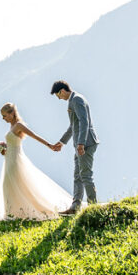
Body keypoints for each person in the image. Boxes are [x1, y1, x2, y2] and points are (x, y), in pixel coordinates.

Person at [0, 103, 72, 220]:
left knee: (15, 184)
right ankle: (12, 212)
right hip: (9, 159)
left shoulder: (19, 125)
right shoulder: (11, 127)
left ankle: (19, 212)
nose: (3, 118)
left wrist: (49, 145)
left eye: (4, 115)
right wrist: (3, 148)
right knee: (8, 184)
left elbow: (34, 135)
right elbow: (12, 143)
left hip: (15, 160)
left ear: (11, 113)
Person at [49, 80, 100, 215]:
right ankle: (75, 207)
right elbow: (73, 125)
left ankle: (93, 207)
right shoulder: (74, 100)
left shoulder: (76, 100)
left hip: (86, 143)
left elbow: (84, 122)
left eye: (58, 95)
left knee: (85, 175)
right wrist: (62, 142)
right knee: (78, 175)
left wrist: (81, 143)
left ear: (62, 91)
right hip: (80, 143)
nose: (59, 98)